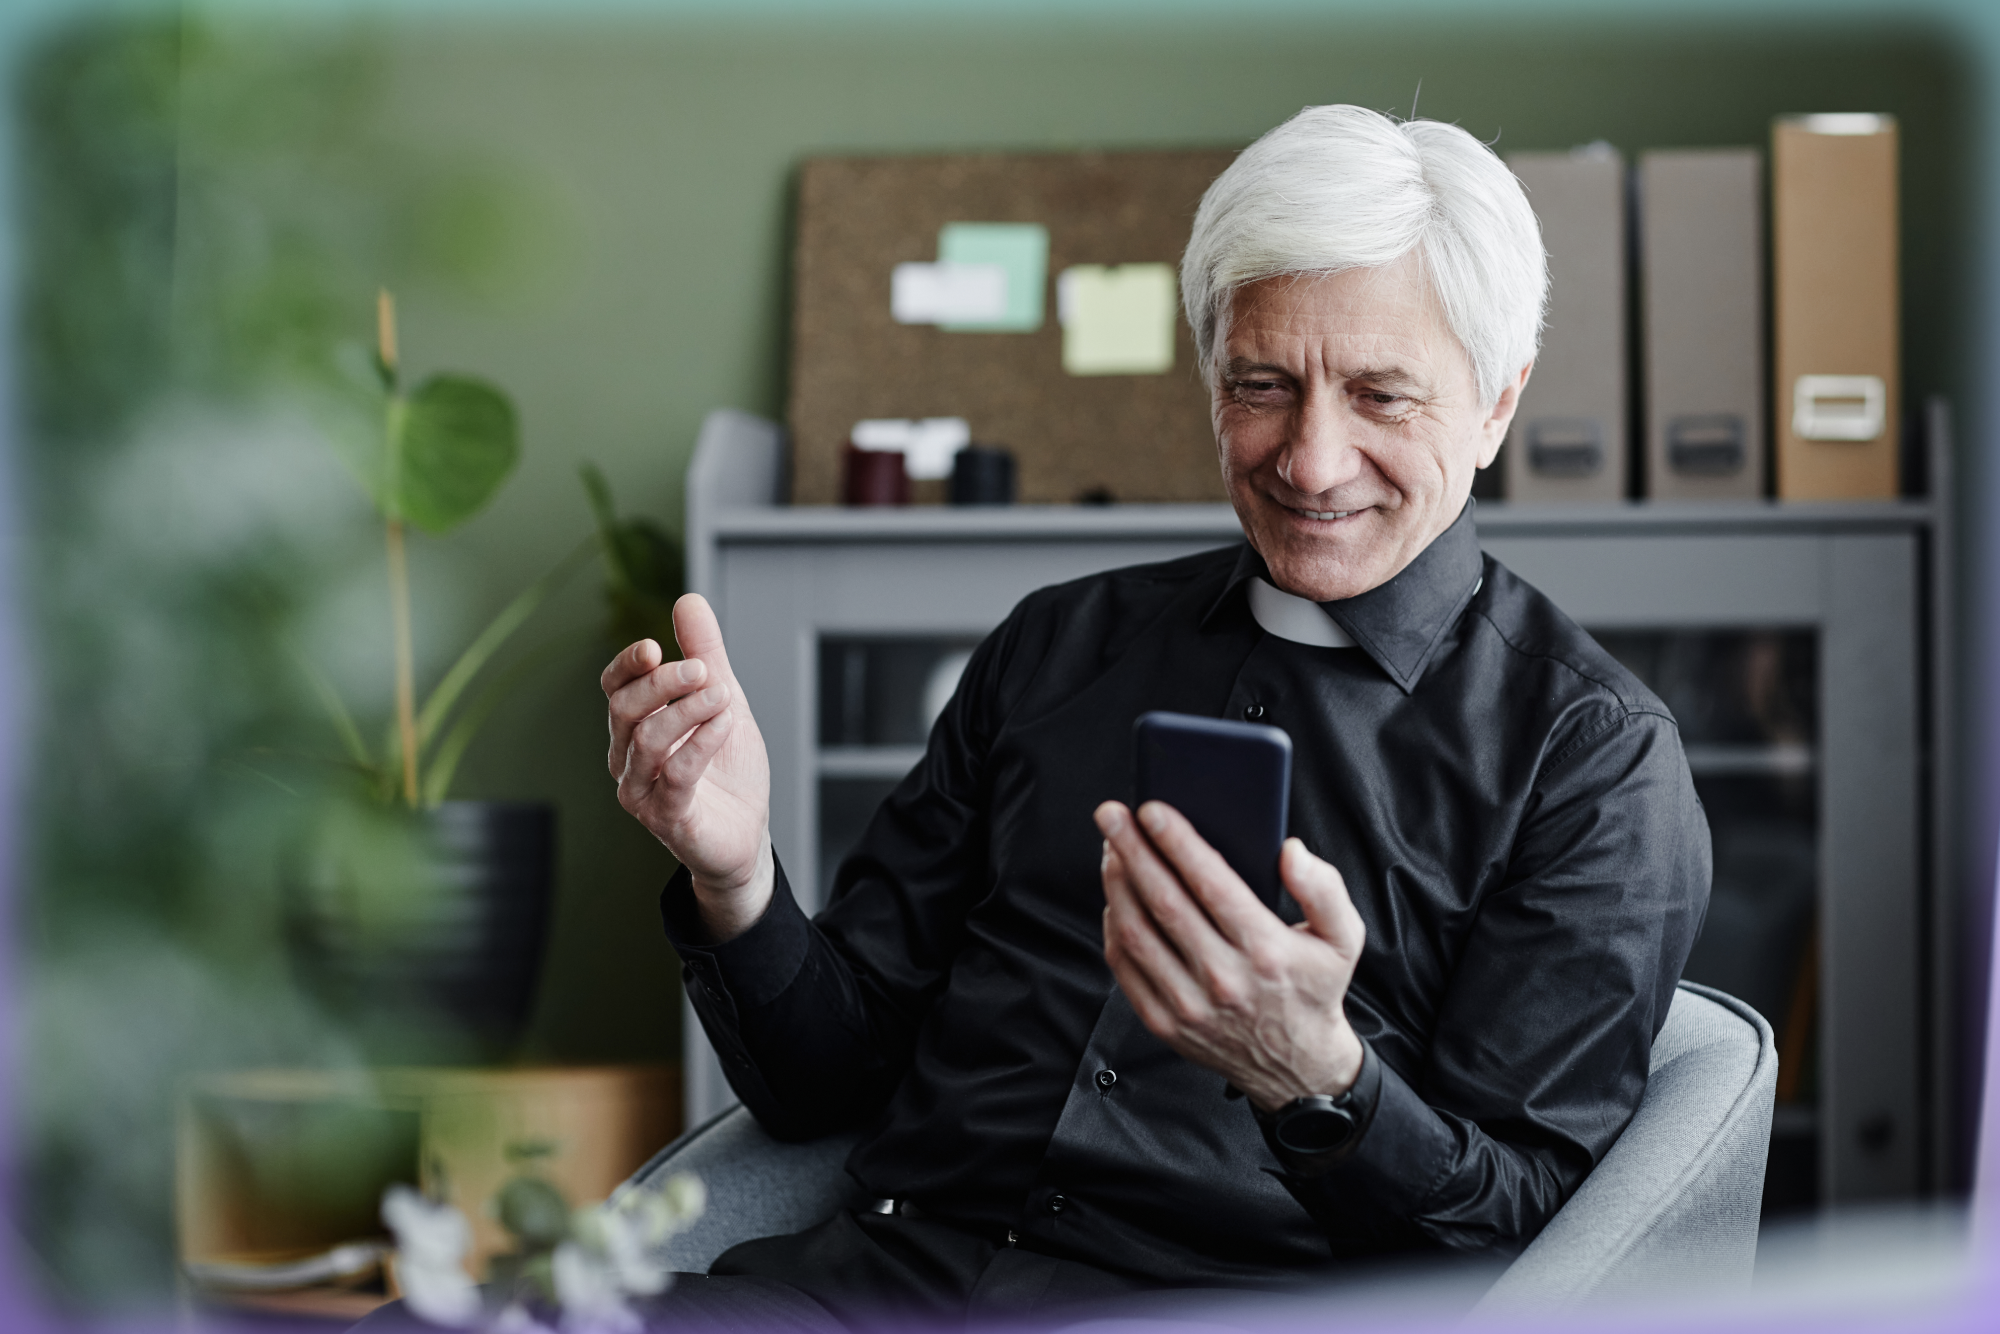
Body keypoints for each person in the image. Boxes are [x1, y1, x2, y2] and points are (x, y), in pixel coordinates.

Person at [597, 104, 1708, 1332]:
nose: (1311, 459)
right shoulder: (1054, 646)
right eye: (1261, 386)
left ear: (1496, 404)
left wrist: (1314, 1077)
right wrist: (736, 873)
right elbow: (826, 1083)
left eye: (1383, 397)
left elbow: (1524, 1243)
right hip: (872, 1293)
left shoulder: (1590, 759)